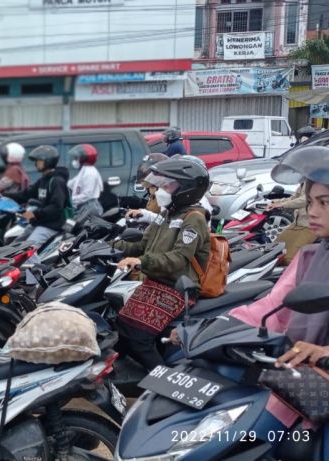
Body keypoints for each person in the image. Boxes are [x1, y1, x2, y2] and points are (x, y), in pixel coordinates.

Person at [170, 146, 329, 421]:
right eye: (310, 202)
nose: (312, 212)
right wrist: (210, 329)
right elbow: (271, 308)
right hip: (303, 384)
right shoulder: (310, 257)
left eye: (324, 203)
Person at [113, 157, 211, 371]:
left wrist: (140, 261)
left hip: (178, 287)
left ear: (186, 189)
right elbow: (142, 244)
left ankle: (162, 381)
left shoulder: (194, 218)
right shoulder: (166, 213)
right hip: (156, 281)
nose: (160, 191)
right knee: (121, 326)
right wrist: (112, 246)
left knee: (139, 338)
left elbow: (179, 258)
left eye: (167, 186)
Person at [4, 145, 69, 262]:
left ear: (48, 161)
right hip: (39, 222)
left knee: (29, 251)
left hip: (51, 225)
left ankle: (36, 273)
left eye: (39, 161)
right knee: (14, 247)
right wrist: (4, 195)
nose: (36, 164)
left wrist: (35, 214)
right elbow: (25, 195)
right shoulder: (43, 180)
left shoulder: (56, 181)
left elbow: (56, 207)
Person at [270, 180, 318, 264]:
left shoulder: (319, 180)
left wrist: (283, 204)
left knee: (289, 259)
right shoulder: (305, 181)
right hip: (298, 223)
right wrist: (276, 202)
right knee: (274, 250)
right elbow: (294, 197)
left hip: (311, 226)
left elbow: (307, 199)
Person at [67, 144, 104, 223]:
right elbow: (71, 183)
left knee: (74, 226)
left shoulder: (89, 173)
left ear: (83, 159)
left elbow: (87, 195)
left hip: (88, 206)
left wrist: (70, 200)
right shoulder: (84, 170)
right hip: (83, 206)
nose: (74, 161)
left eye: (76, 158)